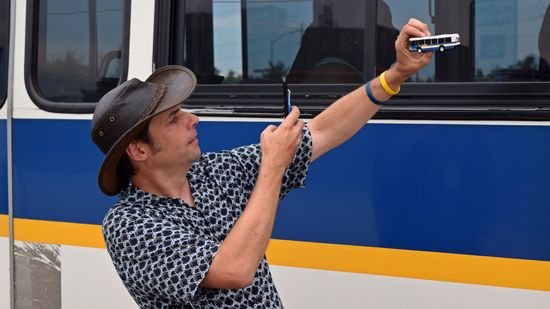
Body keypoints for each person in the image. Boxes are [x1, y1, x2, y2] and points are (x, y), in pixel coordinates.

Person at [91, 18, 433, 309]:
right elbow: (234, 270)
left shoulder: (214, 172)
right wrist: (272, 167)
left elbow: (324, 131)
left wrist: (396, 75)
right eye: (173, 119)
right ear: (138, 150)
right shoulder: (129, 225)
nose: (193, 119)